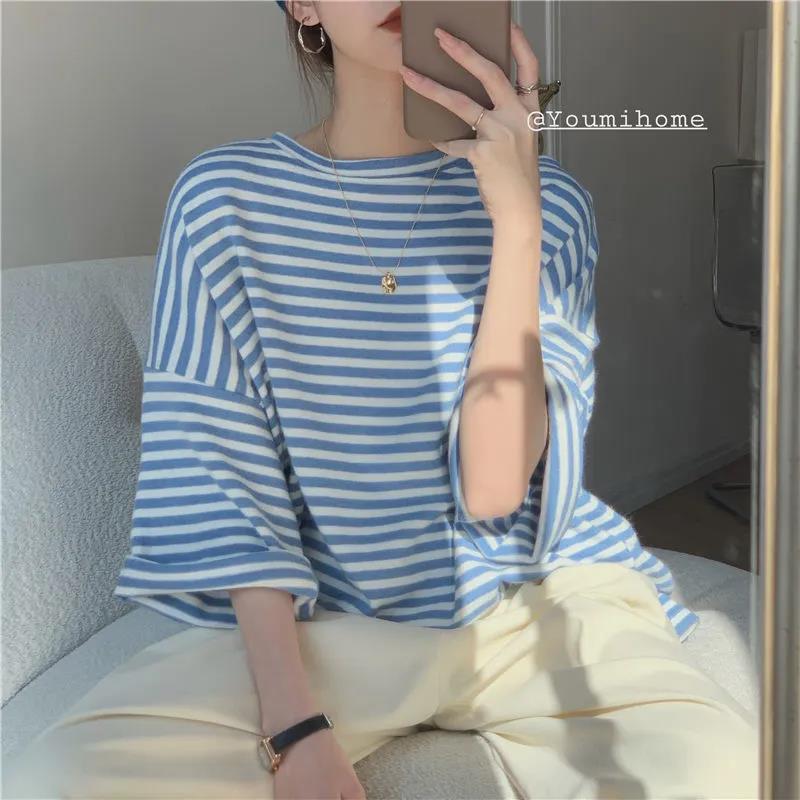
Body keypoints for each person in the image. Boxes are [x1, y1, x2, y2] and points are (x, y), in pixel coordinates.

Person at [5, 2, 759, 798]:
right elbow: (224, 484)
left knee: (723, 771)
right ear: (304, 5)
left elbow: (495, 489)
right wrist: (295, 725)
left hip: (528, 605)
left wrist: (517, 223)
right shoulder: (223, 199)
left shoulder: (553, 205)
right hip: (322, 624)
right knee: (56, 783)